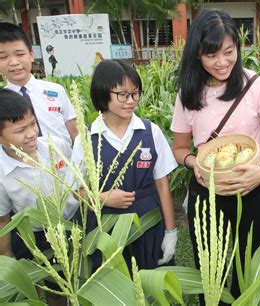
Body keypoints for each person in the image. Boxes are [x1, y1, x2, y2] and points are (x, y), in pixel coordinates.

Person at [170, 8, 260, 299]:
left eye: (229, 51)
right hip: (206, 195)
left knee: (248, 270)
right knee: (211, 275)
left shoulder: (259, 87)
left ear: (237, 46)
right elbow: (180, 148)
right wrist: (193, 161)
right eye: (211, 55)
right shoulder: (188, 93)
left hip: (253, 192)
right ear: (197, 54)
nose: (222, 62)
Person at [70, 59, 178, 270]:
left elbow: (162, 184)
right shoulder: (86, 138)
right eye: (122, 95)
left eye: (135, 93)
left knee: (150, 286)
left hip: (148, 222)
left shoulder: (150, 132)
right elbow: (75, 190)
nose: (131, 101)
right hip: (105, 229)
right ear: (102, 94)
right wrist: (103, 198)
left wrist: (170, 231)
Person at [0, 88, 78, 306]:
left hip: (71, 225)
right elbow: (4, 219)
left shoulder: (56, 146)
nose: (31, 133)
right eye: (20, 130)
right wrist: (7, 260)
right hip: (34, 237)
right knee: (45, 288)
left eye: (33, 124)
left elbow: (77, 181)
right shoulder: (1, 171)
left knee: (68, 284)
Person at [0, 22, 77, 145]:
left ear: (31, 55)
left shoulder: (56, 90)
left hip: (65, 161)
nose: (13, 62)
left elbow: (75, 132)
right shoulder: (2, 102)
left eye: (19, 54)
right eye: (3, 57)